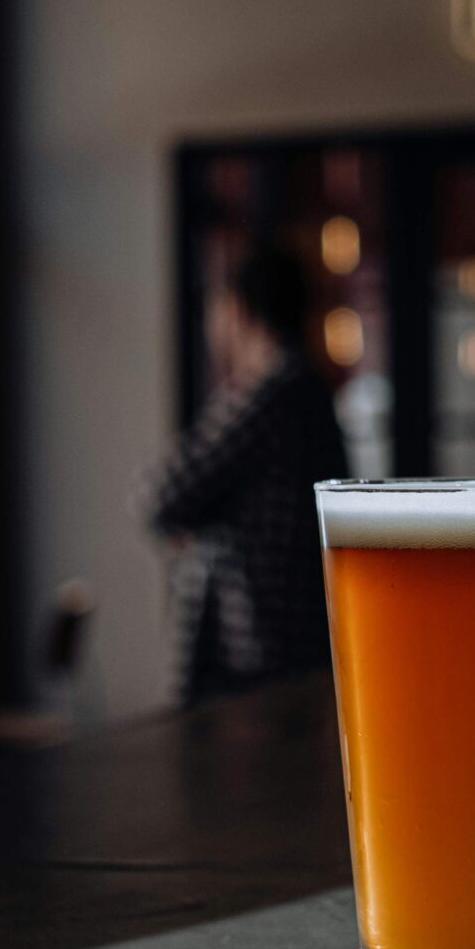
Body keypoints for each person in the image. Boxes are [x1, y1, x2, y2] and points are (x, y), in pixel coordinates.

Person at [145, 245, 350, 703]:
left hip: (256, 645)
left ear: (238, 310)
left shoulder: (269, 392)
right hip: (299, 637)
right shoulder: (309, 388)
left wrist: (201, 519)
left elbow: (160, 496)